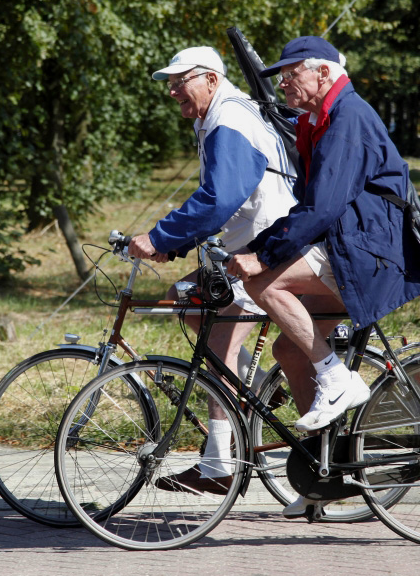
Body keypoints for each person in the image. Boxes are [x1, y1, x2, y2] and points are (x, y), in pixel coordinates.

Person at [227, 36, 420, 516]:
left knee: (265, 284)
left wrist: (263, 260)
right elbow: (309, 207)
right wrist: (257, 247)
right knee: (287, 348)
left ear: (322, 73)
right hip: (355, 245)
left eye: (291, 71)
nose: (283, 81)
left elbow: (323, 208)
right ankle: (320, 472)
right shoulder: (324, 121)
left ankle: (337, 378)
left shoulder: (347, 119)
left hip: (370, 254)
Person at [127, 45, 298, 495]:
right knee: (184, 302)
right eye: (170, 84)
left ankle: (220, 465)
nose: (172, 92)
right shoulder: (215, 116)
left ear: (210, 79)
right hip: (245, 242)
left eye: (179, 81)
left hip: (266, 247)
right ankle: (261, 389)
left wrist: (161, 237)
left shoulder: (230, 119)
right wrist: (176, 244)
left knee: (220, 343)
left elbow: (221, 198)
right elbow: (222, 202)